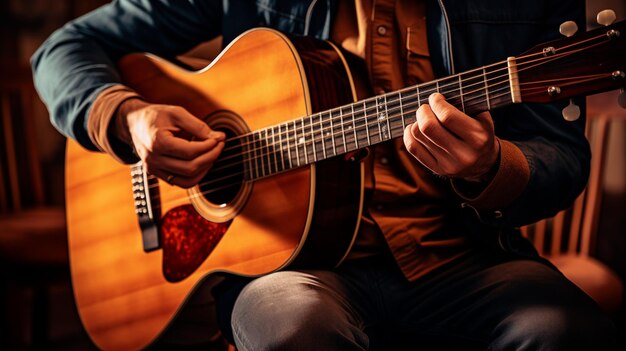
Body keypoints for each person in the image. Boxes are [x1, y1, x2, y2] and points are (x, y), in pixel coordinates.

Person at [32, 0, 620, 350]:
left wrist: (494, 166)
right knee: (294, 330)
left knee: (563, 331)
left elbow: (562, 158)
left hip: (465, 260)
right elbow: (63, 48)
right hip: (293, 270)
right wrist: (129, 117)